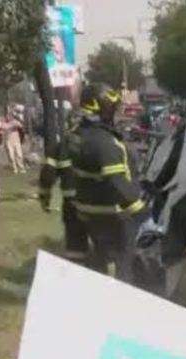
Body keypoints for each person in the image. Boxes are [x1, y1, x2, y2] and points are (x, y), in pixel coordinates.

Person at [67, 83, 147, 282]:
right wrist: (141, 210)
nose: (115, 114)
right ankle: (120, 296)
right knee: (123, 259)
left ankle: (101, 284)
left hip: (87, 208)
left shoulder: (77, 134)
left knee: (103, 257)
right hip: (112, 212)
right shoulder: (105, 143)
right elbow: (116, 182)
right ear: (100, 108)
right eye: (112, 108)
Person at [39, 112, 90, 263]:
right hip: (99, 202)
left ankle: (77, 272)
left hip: (72, 203)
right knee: (103, 246)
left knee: (76, 247)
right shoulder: (102, 142)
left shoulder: (63, 146)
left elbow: (47, 175)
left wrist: (44, 197)